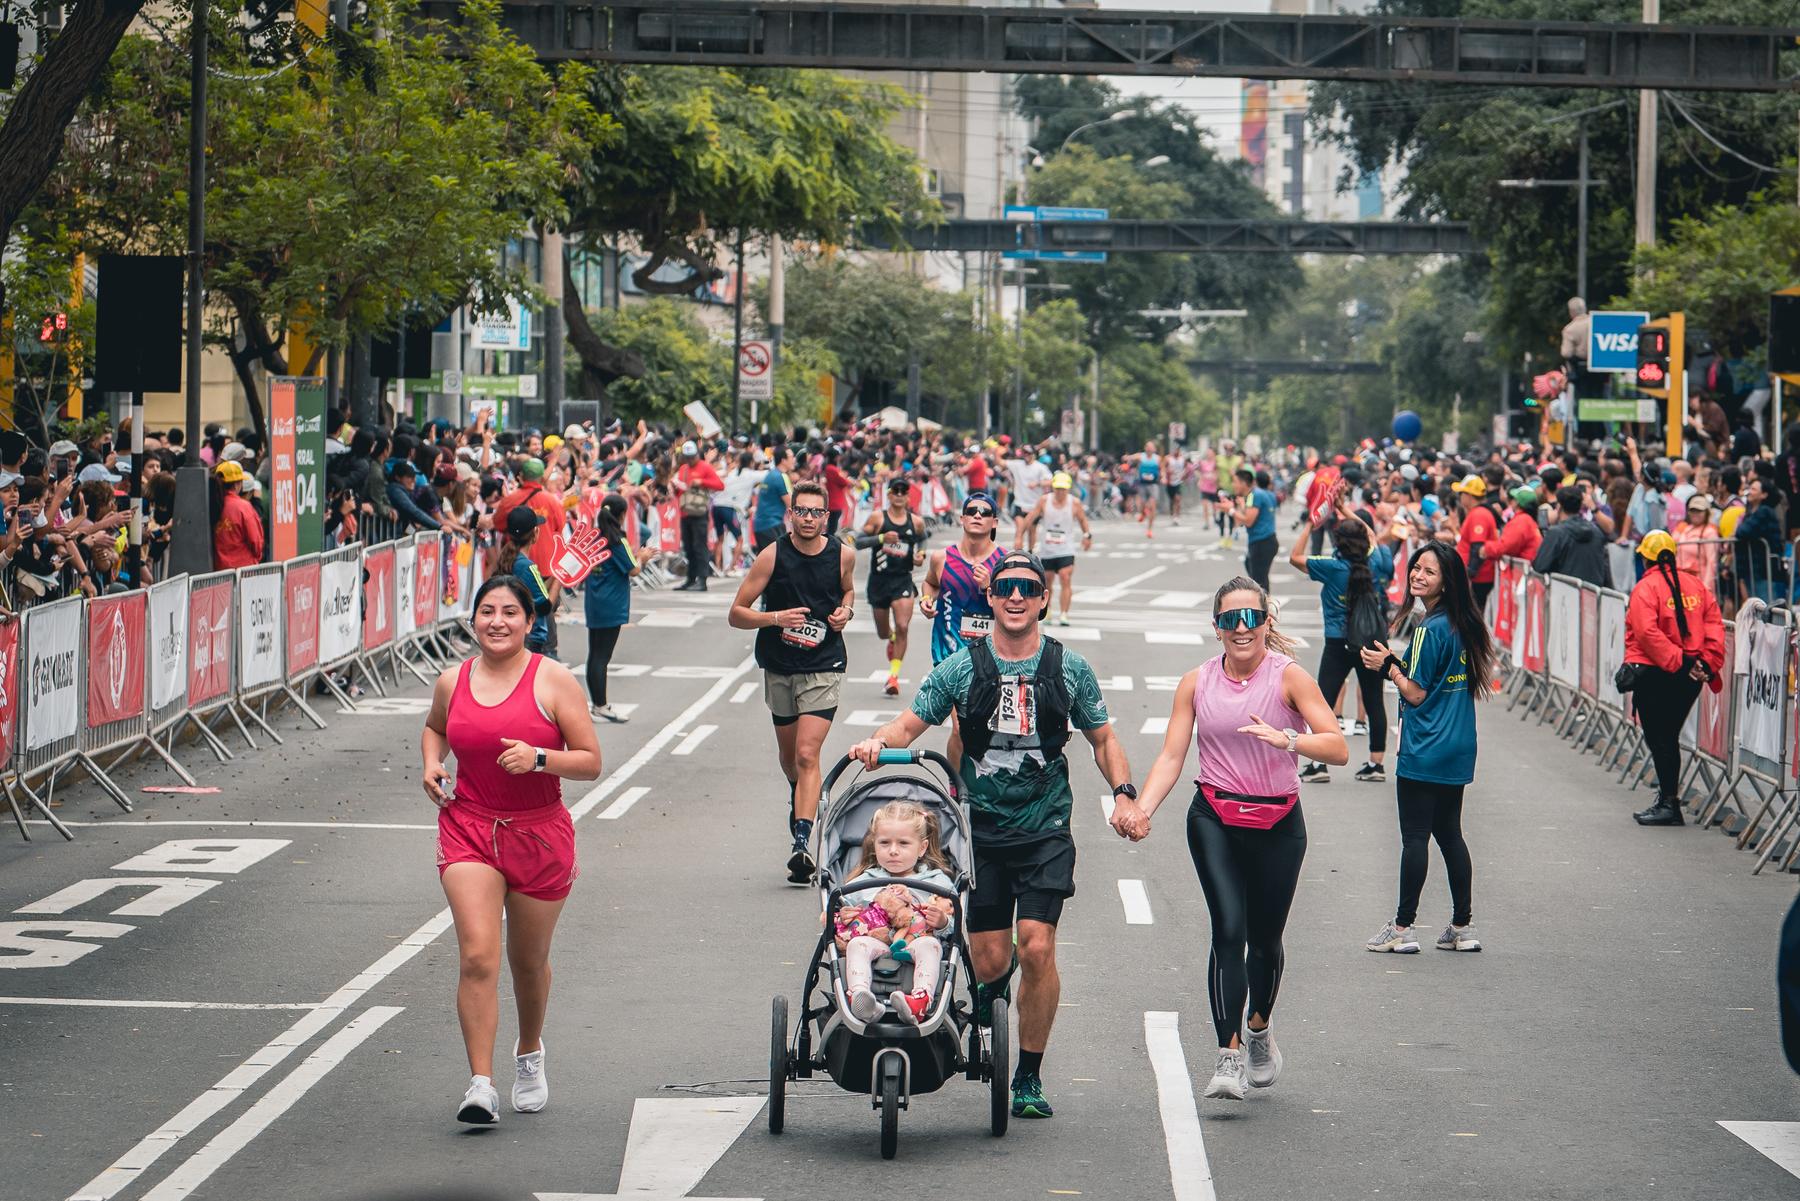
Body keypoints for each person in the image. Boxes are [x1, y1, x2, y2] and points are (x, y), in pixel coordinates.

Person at [850, 550, 1133, 1121]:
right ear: (994, 595)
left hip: (1045, 825)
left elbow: (1103, 738)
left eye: (1028, 587)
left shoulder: (1068, 667)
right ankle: (989, 995)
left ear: (1043, 598)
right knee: (988, 958)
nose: (1016, 596)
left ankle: (1027, 1073)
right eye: (1006, 587)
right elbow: (909, 723)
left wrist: (1124, 794)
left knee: (1037, 945)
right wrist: (877, 743)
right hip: (977, 829)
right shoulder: (961, 666)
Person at [1120, 575, 1347, 1101]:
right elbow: (1173, 755)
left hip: (1278, 824)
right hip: (1215, 817)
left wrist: (1288, 737)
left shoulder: (1289, 679)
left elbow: (1337, 748)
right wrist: (1144, 809)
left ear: (1267, 621)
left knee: (1265, 941)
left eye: (1251, 618)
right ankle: (1228, 1055)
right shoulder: (1196, 682)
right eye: (1229, 619)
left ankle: (1259, 1030)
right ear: (1216, 626)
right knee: (1228, 929)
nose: (1241, 628)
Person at [420, 574, 601, 1125]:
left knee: (528, 963)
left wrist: (540, 758)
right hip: (469, 827)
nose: (497, 622)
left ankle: (529, 1052)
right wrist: (432, 764)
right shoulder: (453, 679)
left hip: (538, 834)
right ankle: (481, 1084)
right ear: (472, 620)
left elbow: (591, 761)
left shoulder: (553, 681)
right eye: (486, 612)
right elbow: (435, 729)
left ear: (529, 622)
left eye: (509, 613)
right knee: (477, 955)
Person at [1359, 541, 1493, 956]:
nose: (1418, 575)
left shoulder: (1428, 628)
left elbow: (1415, 693)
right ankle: (1462, 925)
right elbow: (1434, 679)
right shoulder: (1464, 623)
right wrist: (1400, 665)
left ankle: (1402, 927)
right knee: (1450, 834)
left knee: (1415, 836)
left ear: (1446, 580)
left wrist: (1389, 668)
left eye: (1429, 572)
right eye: (1416, 568)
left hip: (1425, 744)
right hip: (1459, 743)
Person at [729, 478, 856, 883]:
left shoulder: (843, 555)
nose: (807, 518)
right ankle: (799, 797)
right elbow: (736, 613)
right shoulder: (772, 555)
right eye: (800, 510)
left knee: (806, 755)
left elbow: (848, 593)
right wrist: (775, 618)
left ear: (826, 517)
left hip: (824, 664)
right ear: (791, 514)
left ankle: (802, 842)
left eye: (816, 512)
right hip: (780, 666)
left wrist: (845, 613)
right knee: (790, 762)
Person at [1622, 531, 1726, 826]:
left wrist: (1682, 662)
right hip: (1688, 674)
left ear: (1646, 558)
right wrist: (1705, 662)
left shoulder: (1645, 588)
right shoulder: (1696, 586)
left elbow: (1647, 633)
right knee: (1667, 736)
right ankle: (1669, 800)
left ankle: (1669, 803)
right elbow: (1714, 627)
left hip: (1658, 672)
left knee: (1661, 737)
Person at [1288, 501, 1393, 784]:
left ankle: (1318, 764)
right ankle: (1376, 764)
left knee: (1322, 702)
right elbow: (1373, 537)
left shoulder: (1332, 567)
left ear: (1337, 541)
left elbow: (1294, 557)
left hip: (1337, 643)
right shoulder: (1379, 561)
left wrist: (1312, 523)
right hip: (1371, 644)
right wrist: (1346, 510)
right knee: (1374, 702)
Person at [834, 800, 957, 1026]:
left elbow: (953, 921)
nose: (892, 850)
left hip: (916, 943)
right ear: (874, 845)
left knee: (931, 946)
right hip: (877, 945)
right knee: (855, 945)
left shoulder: (937, 882)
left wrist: (942, 922)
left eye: (903, 843)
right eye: (884, 843)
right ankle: (861, 997)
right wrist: (844, 916)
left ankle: (919, 1001)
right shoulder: (863, 882)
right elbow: (838, 915)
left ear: (922, 848)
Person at [583, 494, 654, 723]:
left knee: (595, 654)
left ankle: (598, 704)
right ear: (622, 515)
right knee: (602, 656)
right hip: (612, 602)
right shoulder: (617, 539)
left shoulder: (595, 538)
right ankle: (601, 706)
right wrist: (642, 557)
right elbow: (633, 569)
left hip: (594, 600)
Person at [861, 476, 928, 697]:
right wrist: (880, 538)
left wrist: (920, 554)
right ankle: (890, 639)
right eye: (895, 491)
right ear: (889, 495)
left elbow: (923, 539)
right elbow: (857, 541)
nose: (899, 495)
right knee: (883, 632)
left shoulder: (916, 521)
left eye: (903, 492)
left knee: (903, 625)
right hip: (879, 581)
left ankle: (893, 677)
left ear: (908, 496)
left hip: (902, 579)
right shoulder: (878, 518)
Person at [1020, 472, 1092, 627]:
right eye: (1058, 488)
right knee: (1047, 582)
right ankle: (1049, 611)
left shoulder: (1075, 503)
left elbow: (1082, 520)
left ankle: (1064, 614)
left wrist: (1087, 535)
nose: (1060, 492)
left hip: (1066, 548)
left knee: (1066, 578)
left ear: (1068, 489)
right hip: (1048, 549)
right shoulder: (1045, 501)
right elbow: (1030, 518)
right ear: (1053, 487)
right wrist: (1019, 535)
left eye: (1063, 489)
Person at [496, 507, 554, 656]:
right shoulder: (527, 566)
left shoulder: (507, 559)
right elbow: (545, 606)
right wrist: (561, 577)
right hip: (531, 638)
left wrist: (554, 575)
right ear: (535, 533)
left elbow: (535, 592)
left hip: (514, 634)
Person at [1531, 485, 1612, 588]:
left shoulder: (1556, 533)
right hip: (1592, 596)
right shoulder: (1597, 533)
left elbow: (1539, 566)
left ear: (1559, 506)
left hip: (1563, 595)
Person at [674, 440, 724, 591]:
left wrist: (701, 481)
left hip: (699, 513)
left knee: (699, 547)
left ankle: (702, 580)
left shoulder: (705, 467)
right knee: (688, 547)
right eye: (687, 457)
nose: (690, 460)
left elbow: (720, 485)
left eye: (692, 457)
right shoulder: (683, 469)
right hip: (685, 513)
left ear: (697, 454)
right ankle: (690, 578)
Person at [1223, 468, 1279, 590]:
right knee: (1259, 579)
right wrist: (1241, 506)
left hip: (1261, 543)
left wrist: (1231, 510)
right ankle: (1265, 606)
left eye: (1235, 481)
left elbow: (1248, 521)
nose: (1233, 485)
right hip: (1266, 541)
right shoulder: (1264, 494)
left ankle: (1265, 607)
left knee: (1259, 584)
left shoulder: (1255, 495)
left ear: (1243, 483)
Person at [1734, 476, 1787, 606]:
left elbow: (1742, 532)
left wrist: (1738, 529)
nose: (1749, 492)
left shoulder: (1764, 511)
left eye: (1753, 489)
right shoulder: (1751, 512)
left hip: (1764, 569)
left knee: (1767, 607)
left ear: (1764, 494)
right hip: (1755, 569)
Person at [211, 460, 265, 569]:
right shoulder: (243, 507)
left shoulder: (212, 504)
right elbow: (256, 542)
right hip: (244, 571)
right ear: (237, 484)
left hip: (218, 573)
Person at [1671, 495, 1722, 596]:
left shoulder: (1710, 532)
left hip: (1699, 582)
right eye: (1692, 510)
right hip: (1682, 581)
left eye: (1699, 511)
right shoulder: (1685, 529)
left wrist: (1707, 587)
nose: (1695, 514)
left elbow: (1712, 562)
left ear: (1706, 513)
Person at [751, 446, 795, 555]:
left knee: (767, 563)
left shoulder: (770, 475)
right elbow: (791, 504)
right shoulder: (781, 477)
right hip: (772, 525)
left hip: (760, 525)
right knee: (778, 562)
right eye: (791, 457)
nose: (794, 459)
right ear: (783, 460)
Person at [1494, 486, 1544, 566]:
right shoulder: (1528, 519)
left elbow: (1505, 546)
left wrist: (1486, 549)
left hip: (1523, 571)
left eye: (1514, 499)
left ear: (1517, 503)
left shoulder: (1522, 521)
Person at [1135, 441, 1162, 539]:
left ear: (1154, 449)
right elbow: (1131, 457)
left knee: (1152, 507)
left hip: (1153, 484)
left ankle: (1149, 530)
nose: (1149, 449)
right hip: (1142, 484)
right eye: (1147, 447)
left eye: (1151, 447)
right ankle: (1142, 513)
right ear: (1145, 448)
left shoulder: (1157, 458)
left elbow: (1161, 469)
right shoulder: (1140, 456)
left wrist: (1163, 477)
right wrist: (1126, 458)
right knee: (1142, 504)